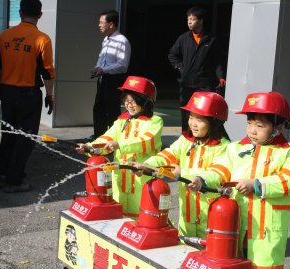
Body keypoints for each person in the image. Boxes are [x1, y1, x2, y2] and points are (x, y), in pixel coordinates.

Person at [190, 92, 290, 269]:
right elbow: (219, 170)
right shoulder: (235, 149)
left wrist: (257, 184)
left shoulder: (289, 152)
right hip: (235, 227)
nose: (252, 130)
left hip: (265, 231)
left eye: (260, 125)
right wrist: (202, 178)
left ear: (280, 126)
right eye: (249, 122)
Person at [135, 92, 231, 244]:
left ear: (215, 121)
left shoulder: (224, 147)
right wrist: (148, 164)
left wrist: (185, 173)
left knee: (209, 252)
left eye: (199, 119)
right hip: (187, 213)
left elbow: (218, 173)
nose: (193, 123)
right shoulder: (186, 140)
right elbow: (167, 155)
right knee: (185, 252)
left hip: (210, 215)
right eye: (191, 117)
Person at [76, 76, 162, 219]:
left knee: (143, 217)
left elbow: (147, 141)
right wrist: (91, 147)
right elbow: (108, 137)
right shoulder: (121, 121)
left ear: (146, 101)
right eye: (126, 101)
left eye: (134, 101)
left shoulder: (154, 121)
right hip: (120, 178)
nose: (129, 105)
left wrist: (119, 144)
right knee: (118, 215)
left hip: (141, 178)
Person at [0, 0, 55, 193]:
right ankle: (14, 180)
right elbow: (48, 72)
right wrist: (50, 95)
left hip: (8, 93)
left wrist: (3, 88)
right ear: (40, 14)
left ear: (20, 12)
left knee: (9, 133)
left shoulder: (4, 35)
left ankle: (3, 174)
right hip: (28, 95)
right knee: (25, 137)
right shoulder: (41, 39)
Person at [168, 6, 226, 132]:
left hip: (204, 84)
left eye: (193, 19)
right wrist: (180, 67)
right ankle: (185, 137)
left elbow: (217, 62)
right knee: (185, 113)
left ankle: (205, 138)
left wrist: (221, 77)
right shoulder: (183, 38)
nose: (189, 22)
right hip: (186, 83)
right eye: (188, 19)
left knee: (204, 113)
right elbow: (172, 54)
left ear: (201, 21)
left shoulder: (211, 40)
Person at [90, 9, 131, 140]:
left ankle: (113, 141)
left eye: (102, 22)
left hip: (114, 80)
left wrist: (104, 70)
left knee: (112, 111)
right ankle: (99, 139)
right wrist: (98, 67)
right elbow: (101, 58)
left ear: (111, 24)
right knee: (99, 109)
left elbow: (123, 65)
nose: (99, 25)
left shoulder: (122, 41)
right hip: (103, 79)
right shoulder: (106, 40)